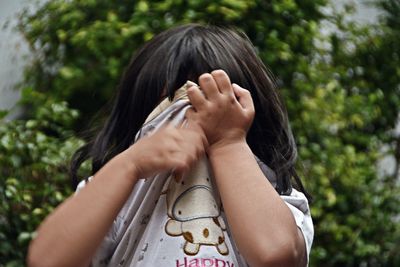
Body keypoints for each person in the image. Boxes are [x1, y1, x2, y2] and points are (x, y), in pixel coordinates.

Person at [27, 24, 313, 267]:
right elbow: (48, 260)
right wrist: (130, 164)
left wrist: (228, 143)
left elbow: (278, 256)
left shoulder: (277, 196)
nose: (186, 124)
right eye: (169, 113)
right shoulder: (118, 191)